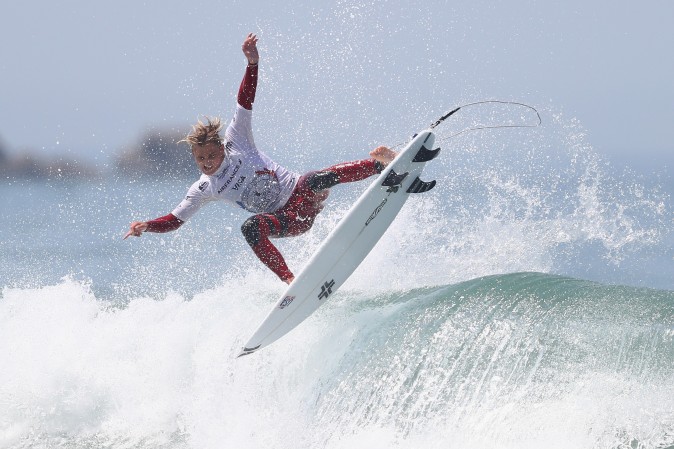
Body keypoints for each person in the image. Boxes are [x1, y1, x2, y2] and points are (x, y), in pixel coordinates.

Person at [124, 33, 396, 284]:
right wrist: (147, 226)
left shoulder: (237, 139)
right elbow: (176, 219)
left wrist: (252, 64)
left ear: (222, 147)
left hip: (301, 193)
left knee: (315, 178)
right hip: (288, 220)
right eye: (200, 159)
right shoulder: (204, 189)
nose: (206, 162)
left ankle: (381, 164)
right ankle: (292, 282)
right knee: (251, 228)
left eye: (210, 154)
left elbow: (244, 100)